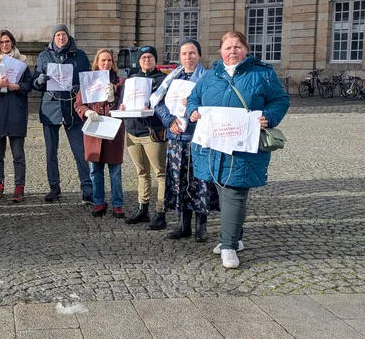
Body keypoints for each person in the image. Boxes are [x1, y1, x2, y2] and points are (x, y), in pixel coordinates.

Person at [187, 31, 289, 268]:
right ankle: (234, 238)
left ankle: (229, 245)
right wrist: (192, 111)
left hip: (244, 145)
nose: (232, 51)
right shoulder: (210, 76)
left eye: (237, 47)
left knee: (235, 191)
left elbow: (280, 100)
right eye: (228, 48)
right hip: (214, 145)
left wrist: (269, 116)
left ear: (246, 49)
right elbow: (194, 98)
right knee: (223, 190)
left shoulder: (262, 74)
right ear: (220, 51)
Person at [151, 40, 217, 242]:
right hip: (175, 137)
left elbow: (216, 104)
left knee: (200, 181)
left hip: (197, 137)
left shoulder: (208, 78)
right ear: (179, 57)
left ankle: (201, 226)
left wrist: (198, 107)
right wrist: (169, 120)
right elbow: (158, 102)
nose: (188, 57)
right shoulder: (172, 77)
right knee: (179, 179)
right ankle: (183, 224)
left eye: (192, 53)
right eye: (184, 54)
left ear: (199, 55)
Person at [33, 24, 93, 203]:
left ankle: (87, 188)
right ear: (53, 38)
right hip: (50, 108)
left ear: (68, 36)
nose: (61, 37)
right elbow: (34, 83)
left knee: (79, 150)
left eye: (63, 34)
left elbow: (88, 79)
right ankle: (54, 187)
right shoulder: (44, 56)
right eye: (58, 35)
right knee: (51, 151)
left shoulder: (80, 55)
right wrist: (40, 80)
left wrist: (80, 87)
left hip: (73, 108)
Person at [0, 30, 33, 202]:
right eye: (1, 42)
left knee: (18, 154)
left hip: (16, 111)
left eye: (7, 41)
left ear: (12, 42)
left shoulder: (22, 62)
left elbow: (29, 85)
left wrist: (18, 87)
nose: (5, 44)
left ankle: (19, 186)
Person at [74, 49, 126, 217]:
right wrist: (86, 112)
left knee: (115, 172)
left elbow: (123, 105)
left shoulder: (119, 82)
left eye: (109, 60)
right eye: (103, 60)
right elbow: (78, 104)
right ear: (97, 62)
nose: (106, 63)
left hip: (112, 131)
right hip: (94, 130)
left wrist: (113, 99)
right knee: (95, 171)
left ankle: (117, 204)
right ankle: (98, 202)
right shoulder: (88, 81)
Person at [121, 45, 168, 230]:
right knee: (141, 172)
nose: (146, 59)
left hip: (153, 132)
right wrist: (123, 107)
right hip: (133, 130)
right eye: (143, 57)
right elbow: (123, 102)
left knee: (160, 173)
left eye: (149, 56)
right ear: (139, 61)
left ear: (155, 60)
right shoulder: (132, 80)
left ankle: (161, 211)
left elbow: (167, 106)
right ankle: (143, 208)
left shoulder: (162, 80)